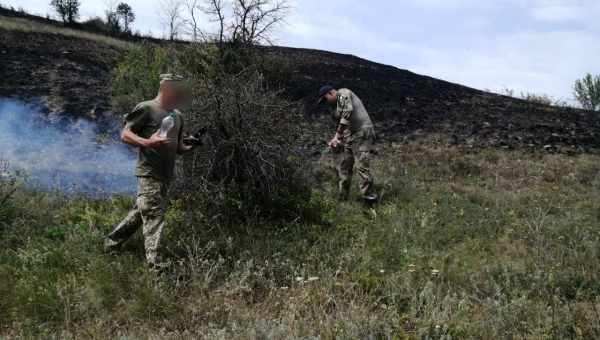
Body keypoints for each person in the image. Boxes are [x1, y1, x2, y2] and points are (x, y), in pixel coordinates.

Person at [104, 74, 194, 268]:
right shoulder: (147, 108)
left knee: (140, 213)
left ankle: (111, 243)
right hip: (148, 173)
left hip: (166, 176)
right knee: (154, 216)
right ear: (166, 89)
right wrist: (148, 142)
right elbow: (125, 134)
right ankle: (156, 266)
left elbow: (179, 147)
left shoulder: (178, 116)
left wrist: (189, 146)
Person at [318, 85, 378, 204]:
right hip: (350, 137)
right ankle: (343, 199)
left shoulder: (343, 93)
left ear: (331, 93)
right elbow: (341, 126)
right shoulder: (335, 107)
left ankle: (369, 202)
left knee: (362, 167)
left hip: (363, 133)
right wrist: (337, 140)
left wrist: (337, 135)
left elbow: (347, 113)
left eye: (325, 99)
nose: (326, 103)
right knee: (344, 166)